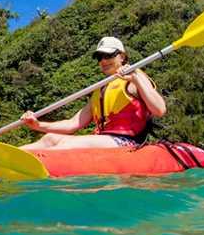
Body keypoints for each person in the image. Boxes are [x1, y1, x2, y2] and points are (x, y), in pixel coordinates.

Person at [20, 36, 166, 150]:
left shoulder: (135, 78)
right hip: (103, 139)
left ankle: (40, 162)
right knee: (50, 138)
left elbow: (159, 110)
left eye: (108, 55)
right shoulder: (101, 89)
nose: (103, 61)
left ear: (121, 57)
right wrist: (38, 125)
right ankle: (5, 158)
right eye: (99, 57)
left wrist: (135, 79)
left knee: (67, 144)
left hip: (128, 141)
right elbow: (73, 123)